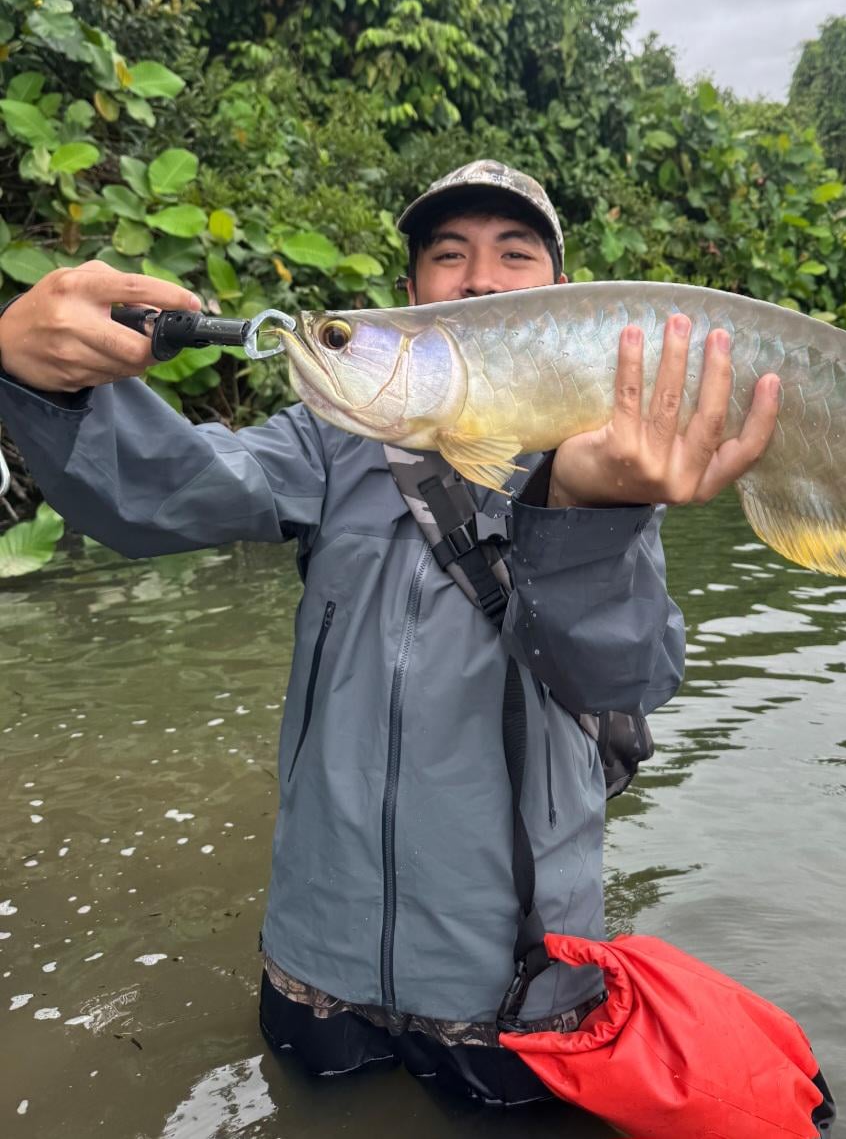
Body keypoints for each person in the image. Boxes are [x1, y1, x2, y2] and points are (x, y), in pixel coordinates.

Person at [0, 160, 779, 1105]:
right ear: (411, 296)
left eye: (514, 255)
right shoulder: (331, 443)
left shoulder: (613, 464)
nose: (479, 279)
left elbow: (629, 677)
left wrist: (586, 513)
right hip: (314, 962)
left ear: (566, 301)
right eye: (448, 255)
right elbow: (160, 495)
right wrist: (38, 379)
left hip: (514, 983)